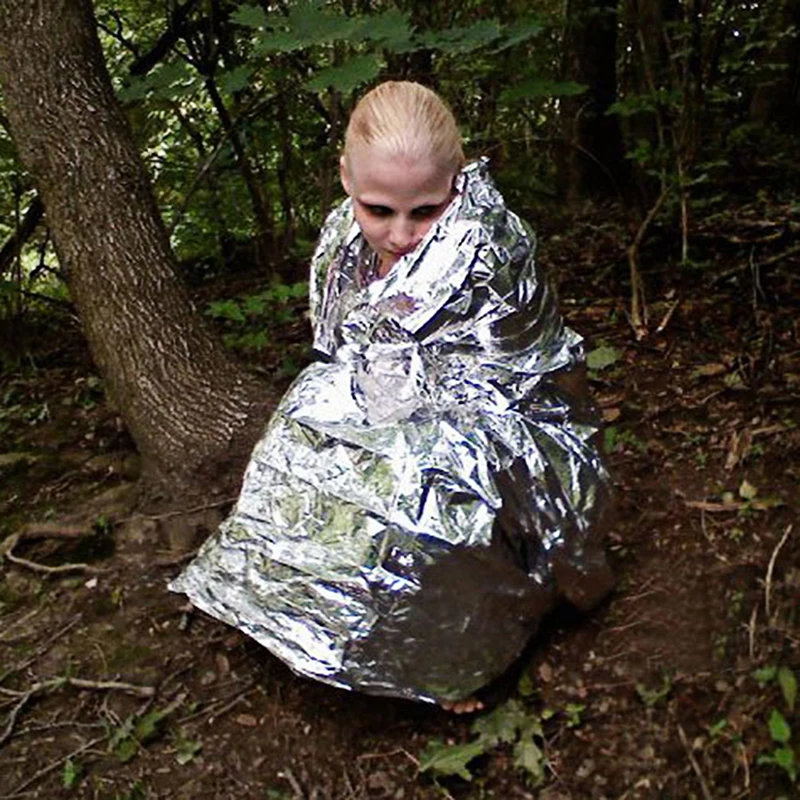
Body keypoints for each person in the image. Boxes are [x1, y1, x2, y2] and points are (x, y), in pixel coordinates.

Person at [170, 81, 613, 714]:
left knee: (427, 487)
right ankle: (311, 612)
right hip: (382, 398)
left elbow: (520, 380)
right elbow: (335, 345)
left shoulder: (494, 245)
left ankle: (457, 658)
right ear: (346, 179)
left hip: (499, 422)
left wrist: (400, 419)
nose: (400, 234)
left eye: (425, 211)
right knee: (298, 433)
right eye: (378, 209)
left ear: (457, 181)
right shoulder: (341, 235)